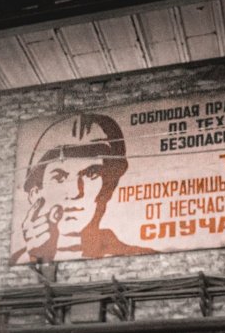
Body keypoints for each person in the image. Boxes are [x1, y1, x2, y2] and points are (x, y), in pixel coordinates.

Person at [12, 113, 154, 264]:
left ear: (108, 187)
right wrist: (38, 259)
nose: (76, 193)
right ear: (35, 194)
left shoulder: (140, 258)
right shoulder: (17, 261)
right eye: (59, 178)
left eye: (91, 174)